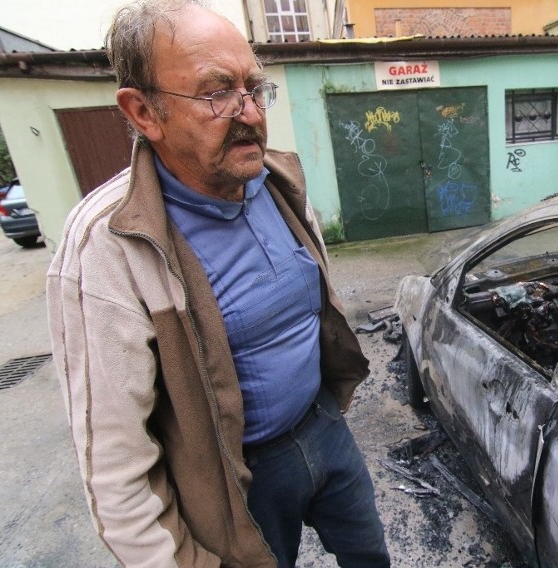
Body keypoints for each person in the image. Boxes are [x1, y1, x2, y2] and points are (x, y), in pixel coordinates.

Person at [46, 0, 390, 566]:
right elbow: (114, 471)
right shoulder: (107, 246)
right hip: (238, 486)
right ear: (143, 113)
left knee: (370, 556)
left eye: (255, 89)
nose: (250, 112)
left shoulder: (276, 180)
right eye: (217, 92)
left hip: (325, 429)